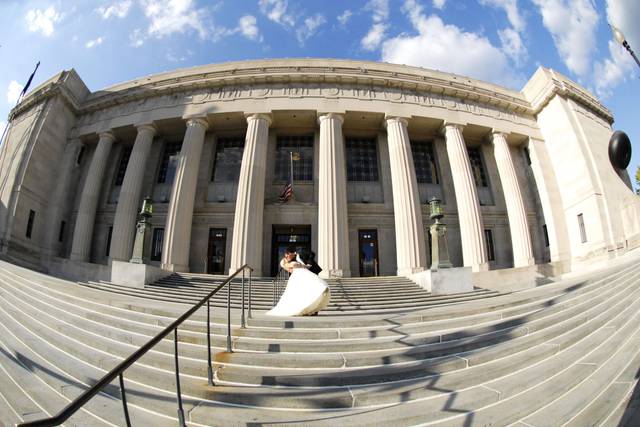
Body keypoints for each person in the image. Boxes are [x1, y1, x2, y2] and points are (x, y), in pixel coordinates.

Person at [266, 246, 330, 316]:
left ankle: (312, 309)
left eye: (291, 254)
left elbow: (309, 258)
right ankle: (307, 309)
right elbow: (289, 268)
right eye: (289, 254)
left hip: (306, 274)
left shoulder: (298, 256)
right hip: (297, 277)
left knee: (310, 291)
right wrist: (297, 265)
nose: (290, 255)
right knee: (302, 294)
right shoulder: (284, 262)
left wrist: (305, 266)